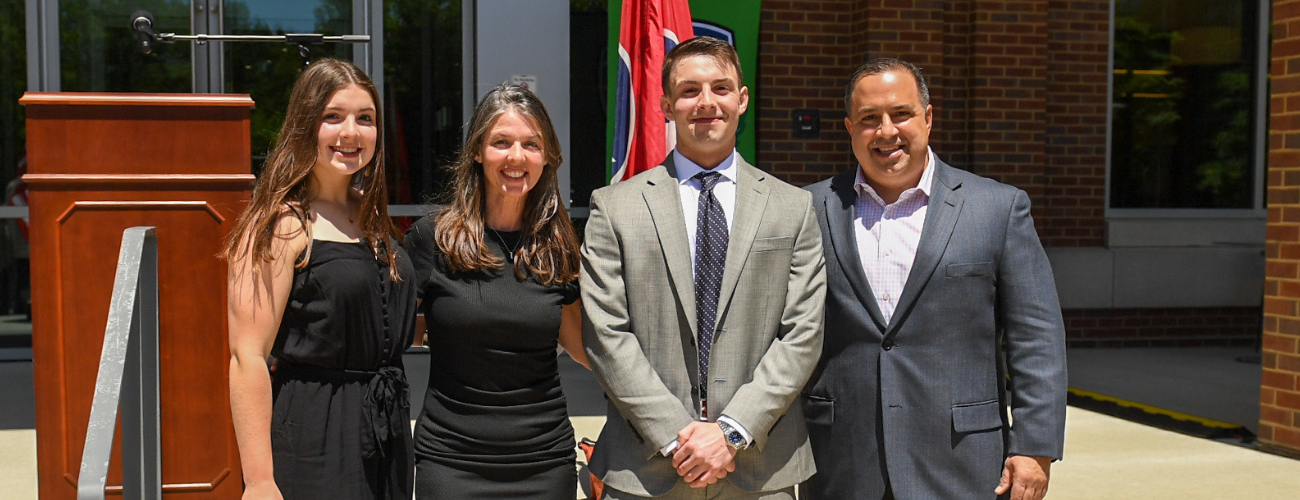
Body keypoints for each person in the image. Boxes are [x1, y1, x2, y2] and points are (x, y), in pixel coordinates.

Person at [799, 57, 1068, 500]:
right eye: (869, 119)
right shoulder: (809, 209)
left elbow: (1036, 337)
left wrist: (1035, 446)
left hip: (962, 461)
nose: (886, 131)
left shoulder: (997, 209)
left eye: (900, 114)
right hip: (842, 461)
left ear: (927, 117)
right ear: (850, 128)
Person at [580, 36, 826, 500]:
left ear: (742, 99)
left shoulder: (792, 208)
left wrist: (731, 432)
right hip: (646, 470)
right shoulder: (615, 208)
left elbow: (803, 334)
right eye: (690, 91)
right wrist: (677, 436)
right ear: (666, 105)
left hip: (760, 469)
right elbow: (605, 334)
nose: (707, 103)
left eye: (720, 87)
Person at [225, 58, 416, 500]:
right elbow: (247, 356)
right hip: (314, 435)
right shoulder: (279, 224)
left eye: (365, 119)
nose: (351, 132)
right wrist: (258, 481)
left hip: (385, 431)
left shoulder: (370, 214)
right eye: (333, 117)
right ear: (305, 125)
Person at [402, 83, 589, 499]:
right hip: (450, 461)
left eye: (531, 144)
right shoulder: (433, 239)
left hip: (544, 462)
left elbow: (583, 347)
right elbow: (390, 332)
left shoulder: (558, 245)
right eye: (501, 142)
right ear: (477, 151)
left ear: (547, 156)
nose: (516, 157)